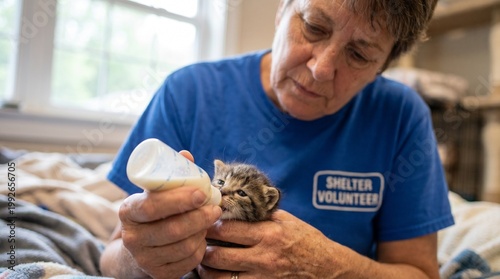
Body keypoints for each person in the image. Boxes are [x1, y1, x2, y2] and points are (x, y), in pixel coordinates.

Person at [100, 0, 455, 278]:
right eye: (314, 27)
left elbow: (420, 272)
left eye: (359, 54)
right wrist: (142, 259)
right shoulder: (189, 93)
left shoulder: (401, 115)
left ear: (384, 65)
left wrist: (327, 269)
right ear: (281, 8)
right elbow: (112, 256)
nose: (321, 68)